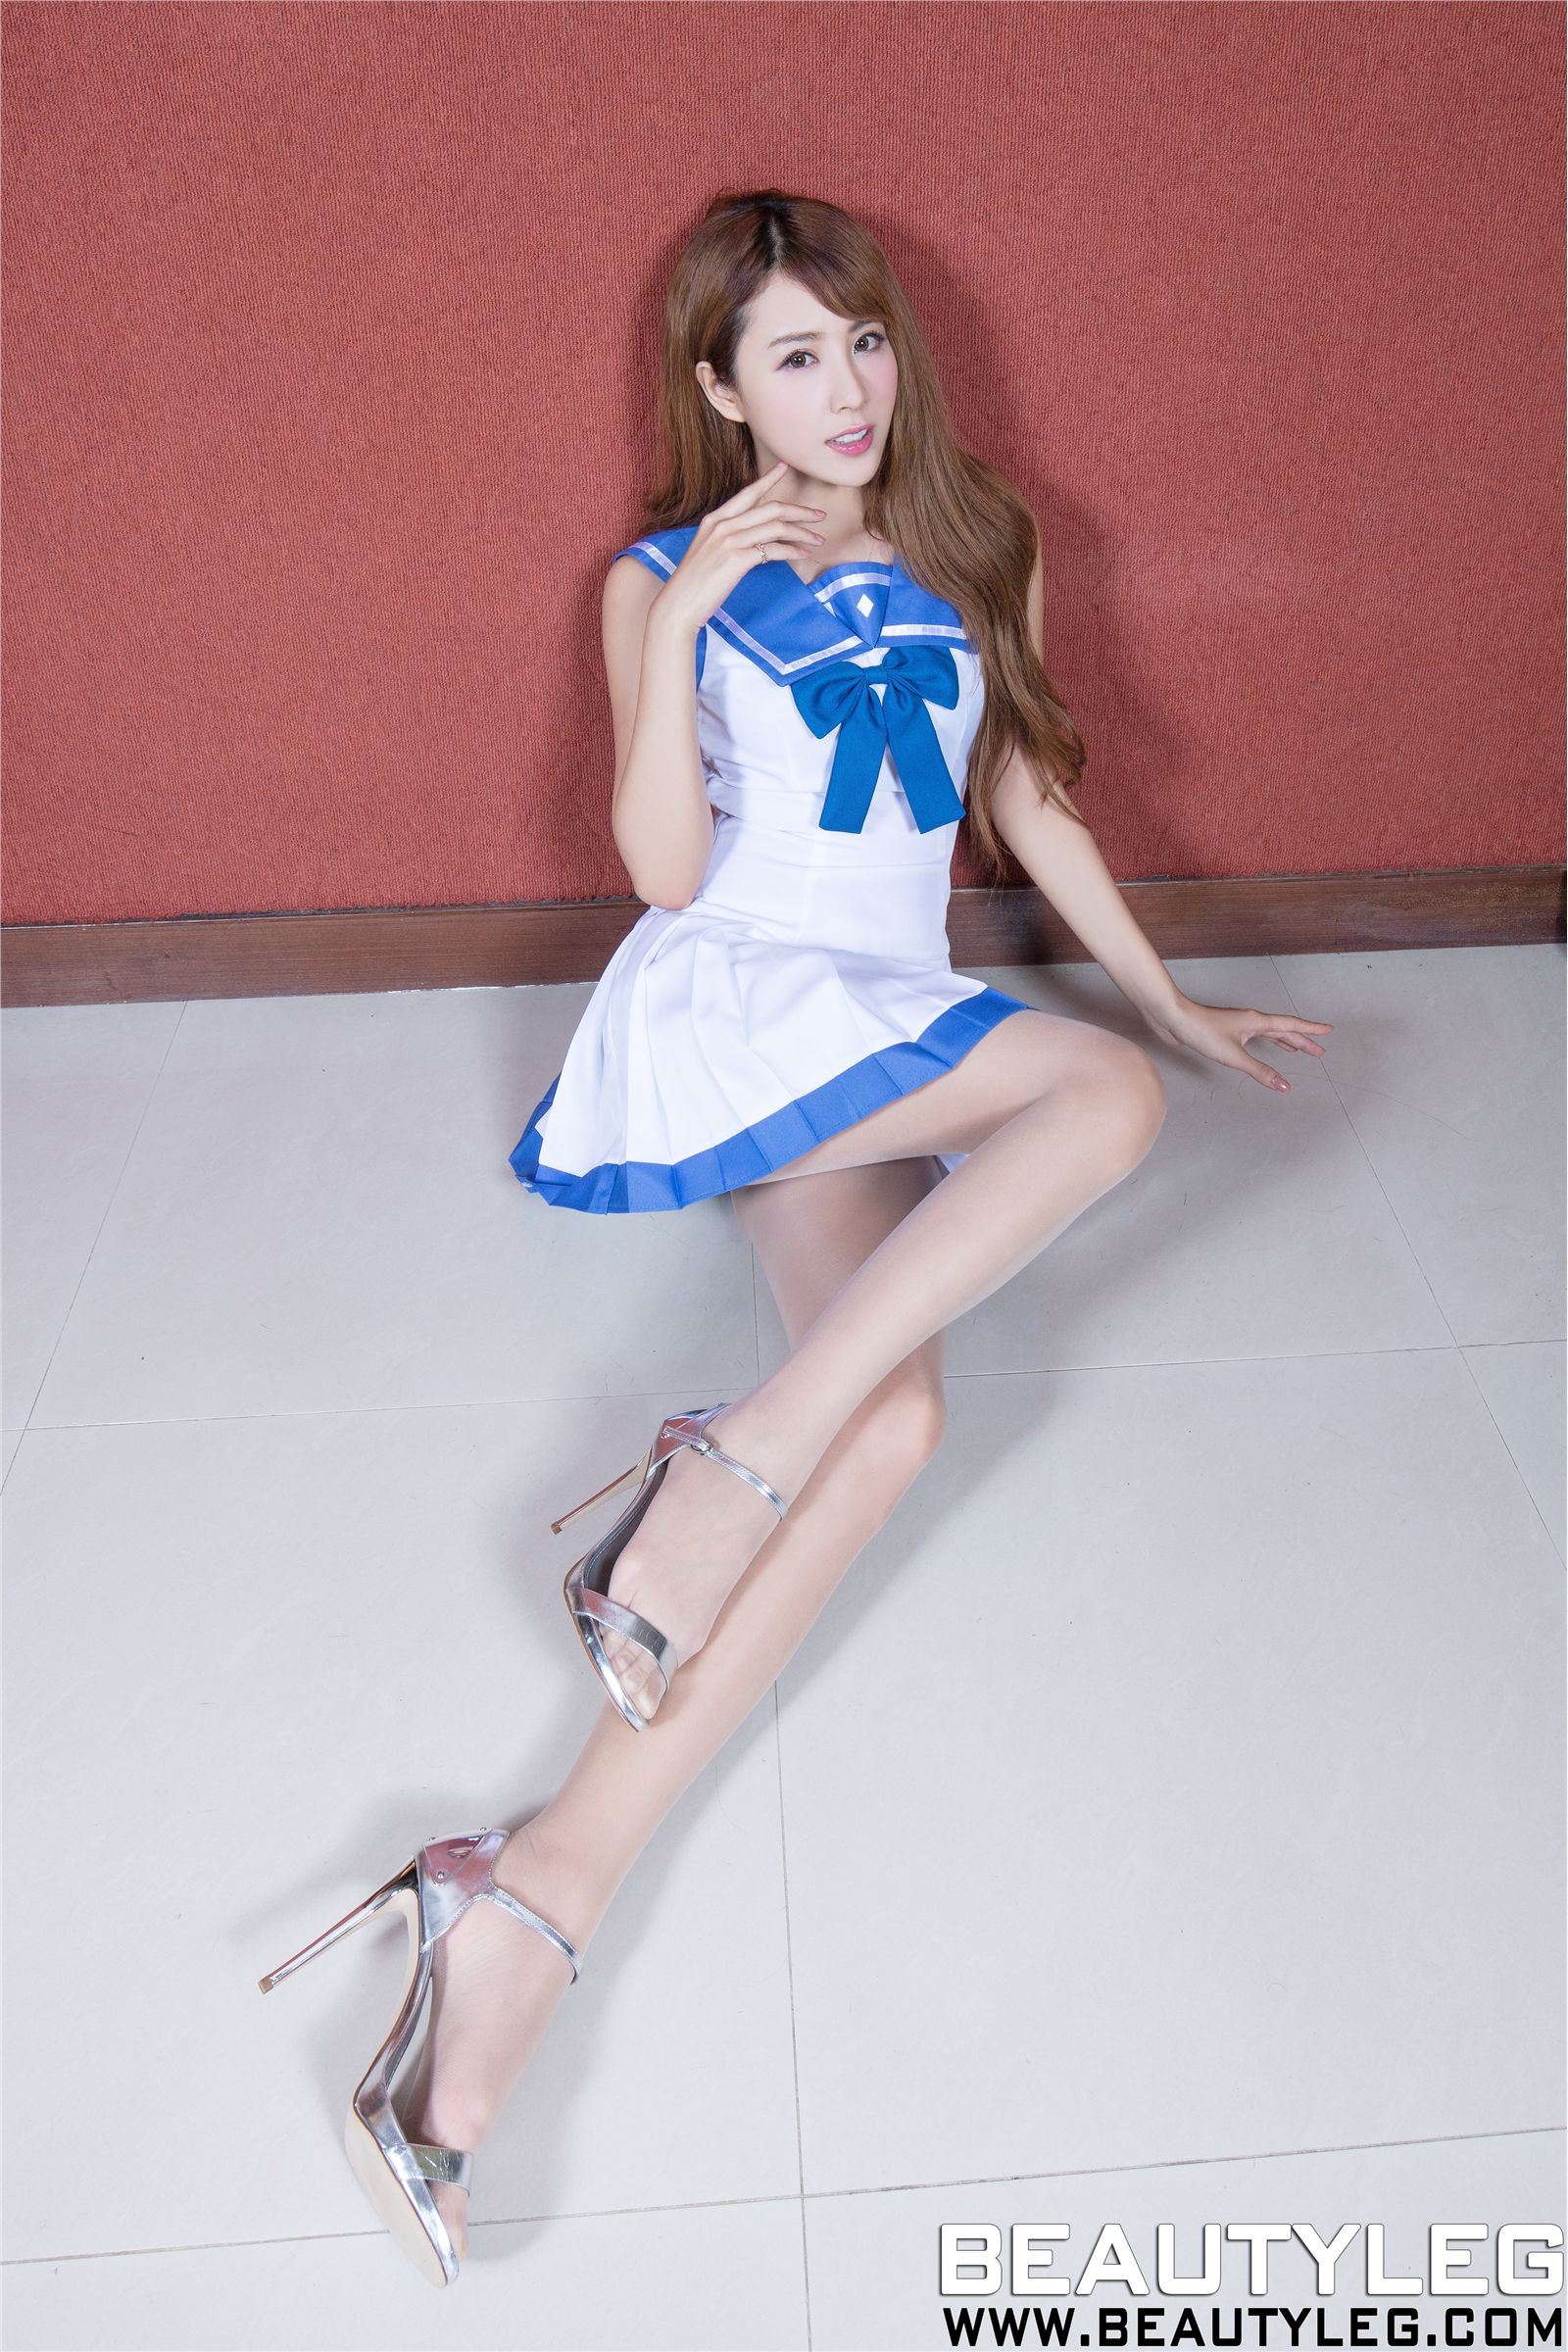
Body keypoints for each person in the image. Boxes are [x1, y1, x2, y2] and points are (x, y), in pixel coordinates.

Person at [260, 187, 1333, 2290]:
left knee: (903, 1412)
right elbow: (666, 870)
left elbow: (1025, 803)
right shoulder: (661, 575)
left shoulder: (971, 542)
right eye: (792, 356)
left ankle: (528, 1899)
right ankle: (726, 1468)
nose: (846, 389)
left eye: (862, 342)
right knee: (1078, 1129)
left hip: (891, 1017)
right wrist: (676, 633)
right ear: (718, 388)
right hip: (743, 1007)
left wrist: (1171, 996)